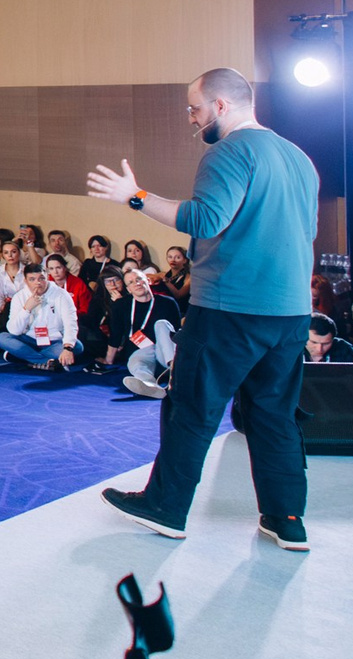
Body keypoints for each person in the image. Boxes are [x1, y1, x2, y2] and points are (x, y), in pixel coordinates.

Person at [90, 67, 320, 551]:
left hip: (232, 307)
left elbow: (205, 218)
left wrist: (135, 197)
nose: (192, 120)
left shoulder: (231, 151)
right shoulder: (298, 158)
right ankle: (286, 519)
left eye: (194, 109)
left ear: (221, 106)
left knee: (191, 406)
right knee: (273, 413)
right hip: (291, 311)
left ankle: (165, 507)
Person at [107, 267, 183, 400]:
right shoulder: (121, 305)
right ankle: (150, 386)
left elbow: (178, 334)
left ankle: (175, 372)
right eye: (131, 282)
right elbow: (116, 334)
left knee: (161, 324)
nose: (136, 283)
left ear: (147, 281)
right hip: (141, 352)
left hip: (166, 352)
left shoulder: (168, 302)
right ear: (128, 289)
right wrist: (108, 360)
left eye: (139, 279)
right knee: (136, 364)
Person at [0, 263, 81, 371]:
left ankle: (23, 357)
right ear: (25, 281)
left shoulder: (62, 294)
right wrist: (27, 309)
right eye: (32, 279)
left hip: (53, 342)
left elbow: (71, 323)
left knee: (77, 346)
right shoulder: (19, 297)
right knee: (2, 338)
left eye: (41, 278)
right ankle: (46, 362)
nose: (38, 283)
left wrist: (67, 348)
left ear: (47, 277)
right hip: (29, 340)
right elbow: (14, 331)